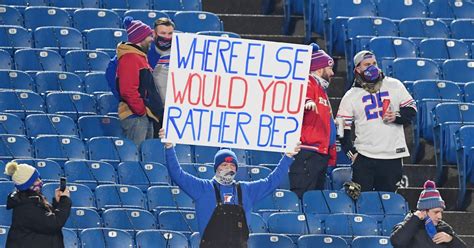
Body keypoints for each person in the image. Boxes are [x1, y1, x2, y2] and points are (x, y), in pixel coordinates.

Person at [159, 129, 300, 247]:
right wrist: (169, 148)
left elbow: (272, 181)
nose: (229, 168)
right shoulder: (203, 188)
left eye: (232, 165)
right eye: (224, 165)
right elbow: (177, 175)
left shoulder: (246, 190)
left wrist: (287, 157)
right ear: (216, 168)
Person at [336, 50, 417, 192]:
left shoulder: (394, 85)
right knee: (364, 203)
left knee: (388, 202)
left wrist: (396, 117)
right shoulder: (351, 96)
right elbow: (341, 128)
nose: (372, 67)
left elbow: (412, 109)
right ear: (357, 69)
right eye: (367, 64)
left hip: (393, 155)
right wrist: (351, 153)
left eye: (374, 63)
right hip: (365, 157)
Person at [289, 43, 337, 199]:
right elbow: (301, 93)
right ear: (319, 68)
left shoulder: (322, 91)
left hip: (319, 154)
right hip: (307, 153)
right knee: (303, 197)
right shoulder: (308, 81)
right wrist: (306, 101)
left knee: (313, 200)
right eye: (329, 68)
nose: (333, 73)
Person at [116, 16, 164, 146]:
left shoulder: (139, 57)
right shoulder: (130, 58)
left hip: (142, 117)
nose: (151, 40)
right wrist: (141, 111)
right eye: (149, 36)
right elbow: (127, 90)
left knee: (145, 157)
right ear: (140, 38)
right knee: (137, 157)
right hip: (136, 117)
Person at [4, 161, 71, 248]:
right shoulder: (26, 207)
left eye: (39, 178)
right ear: (27, 185)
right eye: (36, 180)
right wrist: (64, 200)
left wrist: (57, 203)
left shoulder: (32, 201)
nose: (40, 182)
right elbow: (53, 224)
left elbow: (47, 219)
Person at [390, 180, 467, 247]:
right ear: (423, 211)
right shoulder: (409, 225)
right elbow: (397, 242)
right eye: (436, 212)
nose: (440, 216)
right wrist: (414, 219)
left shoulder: (444, 228)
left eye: (441, 212)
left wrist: (451, 240)